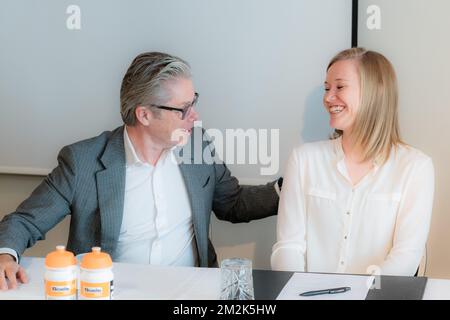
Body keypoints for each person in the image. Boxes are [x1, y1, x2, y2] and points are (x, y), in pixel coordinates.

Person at [0, 52, 281, 290]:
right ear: (144, 114)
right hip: (114, 292)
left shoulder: (197, 146)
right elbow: (25, 221)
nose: (194, 116)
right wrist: (4, 255)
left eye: (193, 101)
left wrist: (292, 187)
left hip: (189, 293)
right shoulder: (83, 162)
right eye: (183, 109)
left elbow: (232, 203)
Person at [271, 48, 434, 276]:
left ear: (374, 93)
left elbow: (406, 256)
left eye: (339, 87)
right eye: (327, 88)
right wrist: (297, 290)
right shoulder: (304, 159)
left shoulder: (416, 167)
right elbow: (288, 246)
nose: (328, 97)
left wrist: (361, 292)